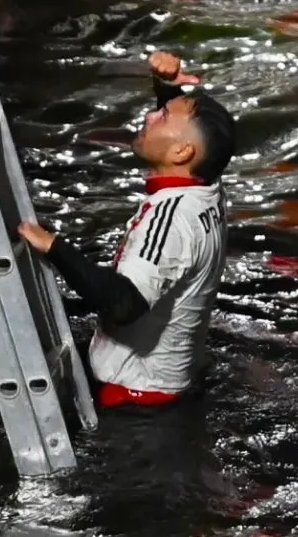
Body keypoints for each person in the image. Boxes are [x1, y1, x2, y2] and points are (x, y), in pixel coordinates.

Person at [17, 51, 236, 409]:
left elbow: (124, 304)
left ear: (182, 152)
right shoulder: (206, 186)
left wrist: (55, 248)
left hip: (135, 398)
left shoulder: (171, 219)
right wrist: (167, 89)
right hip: (172, 383)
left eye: (161, 116)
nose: (149, 116)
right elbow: (196, 141)